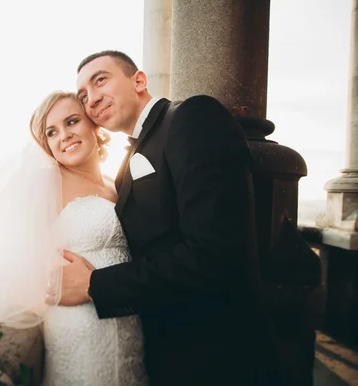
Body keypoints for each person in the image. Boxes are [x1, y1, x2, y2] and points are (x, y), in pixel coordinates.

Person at [57, 50, 282, 385]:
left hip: (220, 358)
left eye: (100, 79)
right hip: (164, 356)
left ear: (139, 80)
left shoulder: (192, 117)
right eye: (84, 95)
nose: (92, 99)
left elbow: (214, 253)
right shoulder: (128, 163)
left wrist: (95, 285)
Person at [0, 91, 148, 385]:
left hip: (128, 323)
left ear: (92, 125)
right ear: (46, 144)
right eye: (52, 132)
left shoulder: (115, 183)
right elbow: (6, 257)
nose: (64, 135)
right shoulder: (46, 187)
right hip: (79, 329)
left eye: (72, 122)